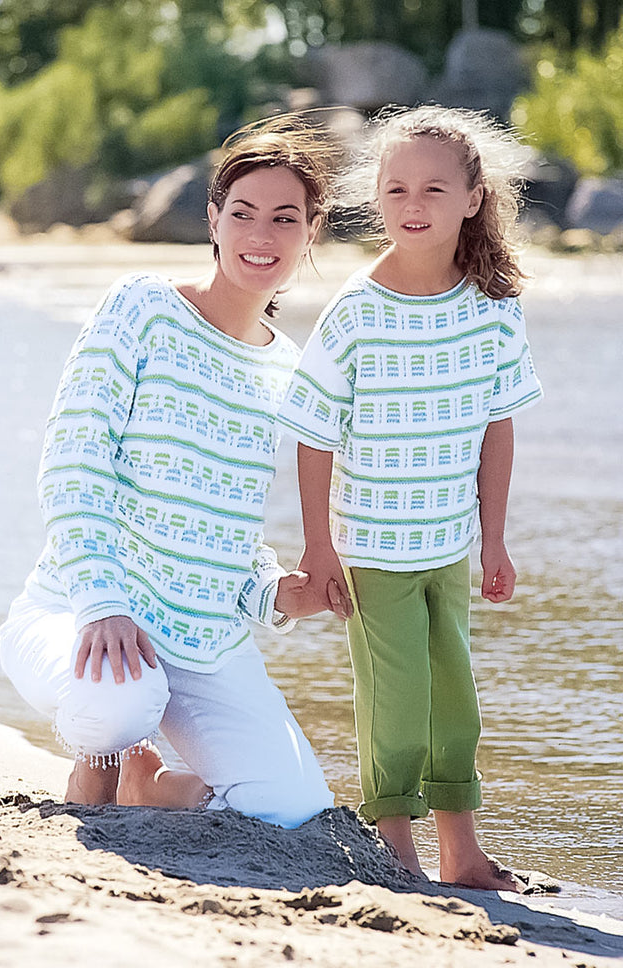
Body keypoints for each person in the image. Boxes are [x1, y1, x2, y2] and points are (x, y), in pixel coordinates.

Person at [0, 115, 345, 828]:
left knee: (290, 808)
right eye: (243, 213)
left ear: (312, 232)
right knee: (117, 706)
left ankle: (148, 784)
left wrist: (275, 593)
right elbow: (73, 461)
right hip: (81, 611)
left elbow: (223, 526)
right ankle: (103, 757)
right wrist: (102, 601)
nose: (261, 235)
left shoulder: (288, 369)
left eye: (285, 218)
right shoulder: (144, 307)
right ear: (213, 219)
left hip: (204, 644)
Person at [277, 105, 543, 885]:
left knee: (455, 702)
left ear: (472, 198)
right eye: (396, 189)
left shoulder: (492, 307)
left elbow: (497, 428)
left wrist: (495, 539)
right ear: (376, 199)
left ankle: (462, 852)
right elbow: (314, 434)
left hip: (448, 546)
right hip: (372, 550)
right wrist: (319, 547)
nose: (413, 205)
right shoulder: (357, 311)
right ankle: (396, 851)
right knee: (396, 702)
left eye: (433, 189)